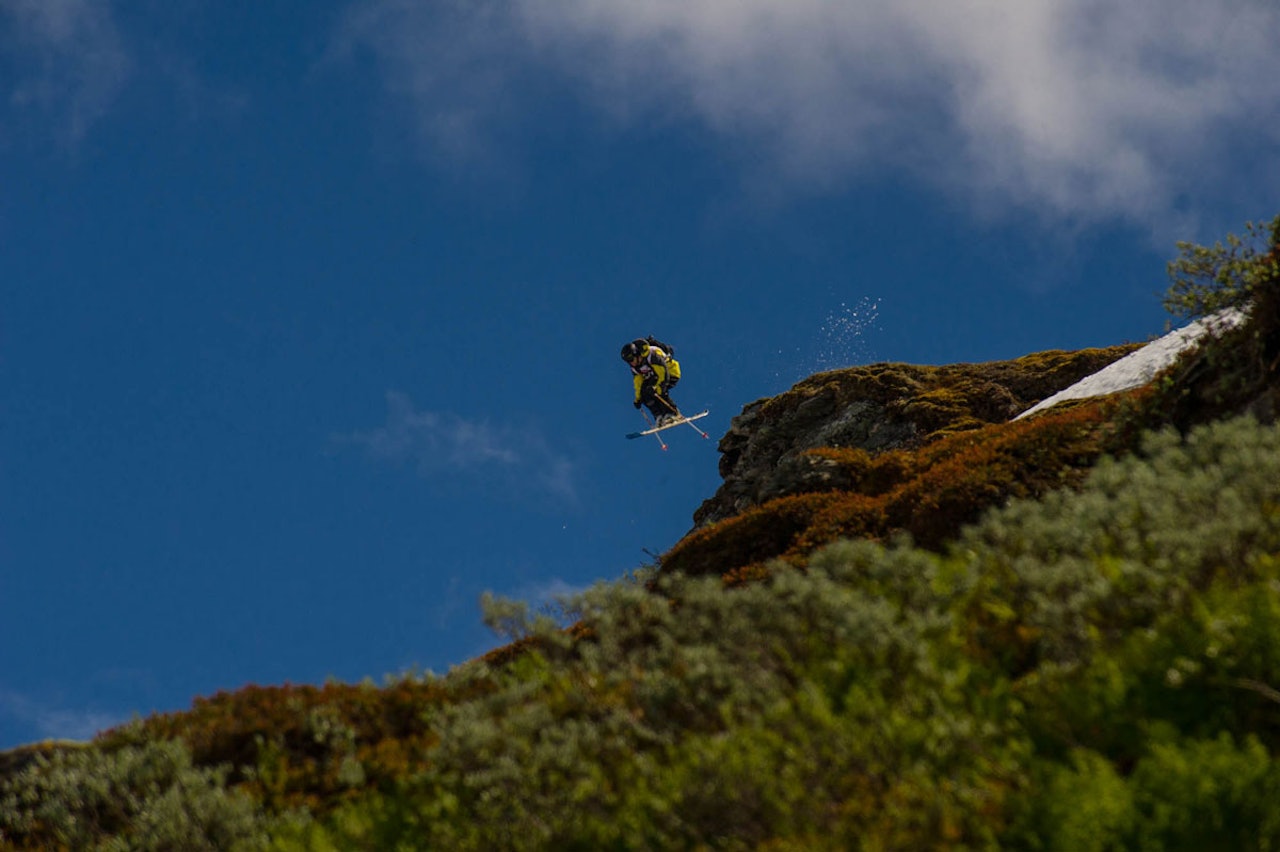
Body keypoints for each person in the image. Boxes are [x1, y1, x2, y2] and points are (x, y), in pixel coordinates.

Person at [621, 337, 681, 426]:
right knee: (645, 393)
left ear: (637, 354)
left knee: (656, 391)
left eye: (631, 360)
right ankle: (659, 416)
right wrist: (638, 398)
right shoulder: (635, 367)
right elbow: (638, 382)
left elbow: (663, 373)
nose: (631, 363)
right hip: (656, 376)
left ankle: (672, 413)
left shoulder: (651, 356)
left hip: (670, 373)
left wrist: (657, 387)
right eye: (628, 362)